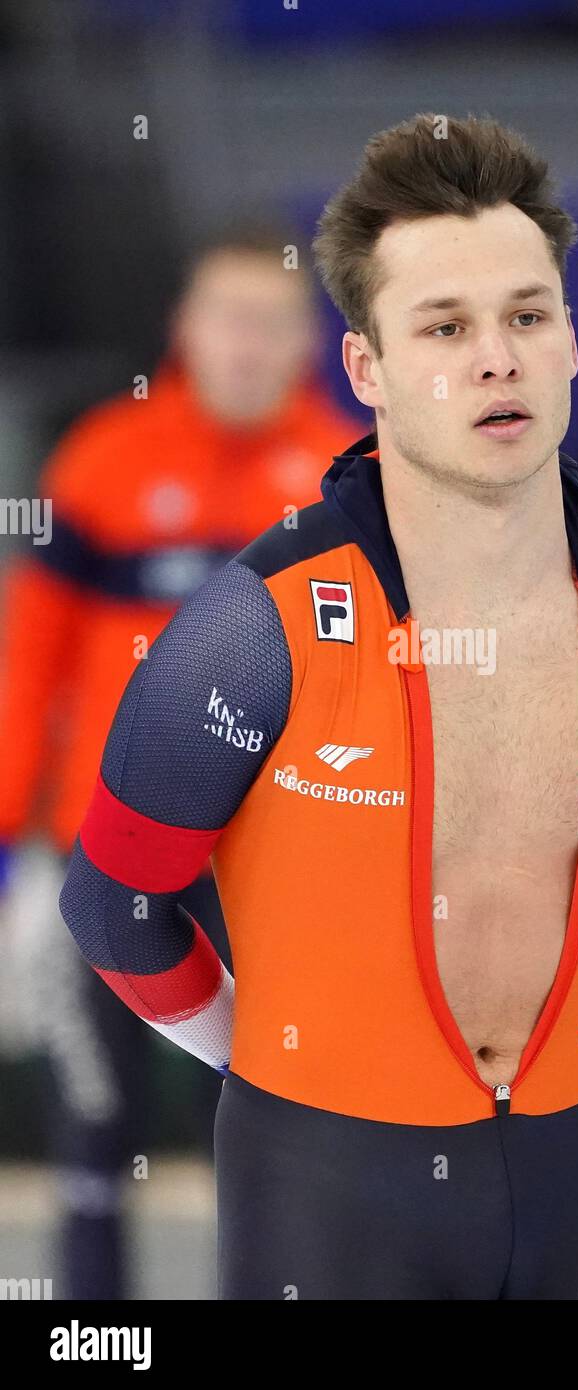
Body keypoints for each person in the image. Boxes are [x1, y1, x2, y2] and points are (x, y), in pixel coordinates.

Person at [58, 114, 578, 1300]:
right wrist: (268, 1050)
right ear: (366, 369)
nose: (497, 357)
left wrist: (553, 967)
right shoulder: (255, 625)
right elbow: (114, 903)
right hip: (324, 1186)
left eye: (528, 314)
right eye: (445, 326)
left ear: (571, 338)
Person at [0, 218, 364, 1299]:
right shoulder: (103, 460)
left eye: (272, 322)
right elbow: (31, 670)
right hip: (108, 864)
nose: (248, 345)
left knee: (277, 1133)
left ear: (310, 338)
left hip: (278, 875)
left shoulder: (350, 479)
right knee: (96, 1131)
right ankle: (90, 1331)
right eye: (229, 318)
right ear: (186, 329)